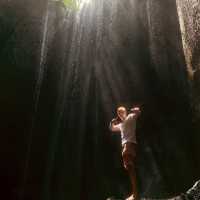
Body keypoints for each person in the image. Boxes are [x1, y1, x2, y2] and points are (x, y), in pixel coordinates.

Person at [109, 106, 141, 200]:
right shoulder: (121, 124)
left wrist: (136, 110)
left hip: (129, 144)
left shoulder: (130, 117)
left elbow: (138, 113)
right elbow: (112, 128)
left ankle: (135, 195)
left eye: (122, 112)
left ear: (125, 112)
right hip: (127, 145)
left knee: (127, 160)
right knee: (130, 169)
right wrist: (112, 122)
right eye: (119, 113)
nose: (120, 114)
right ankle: (135, 193)